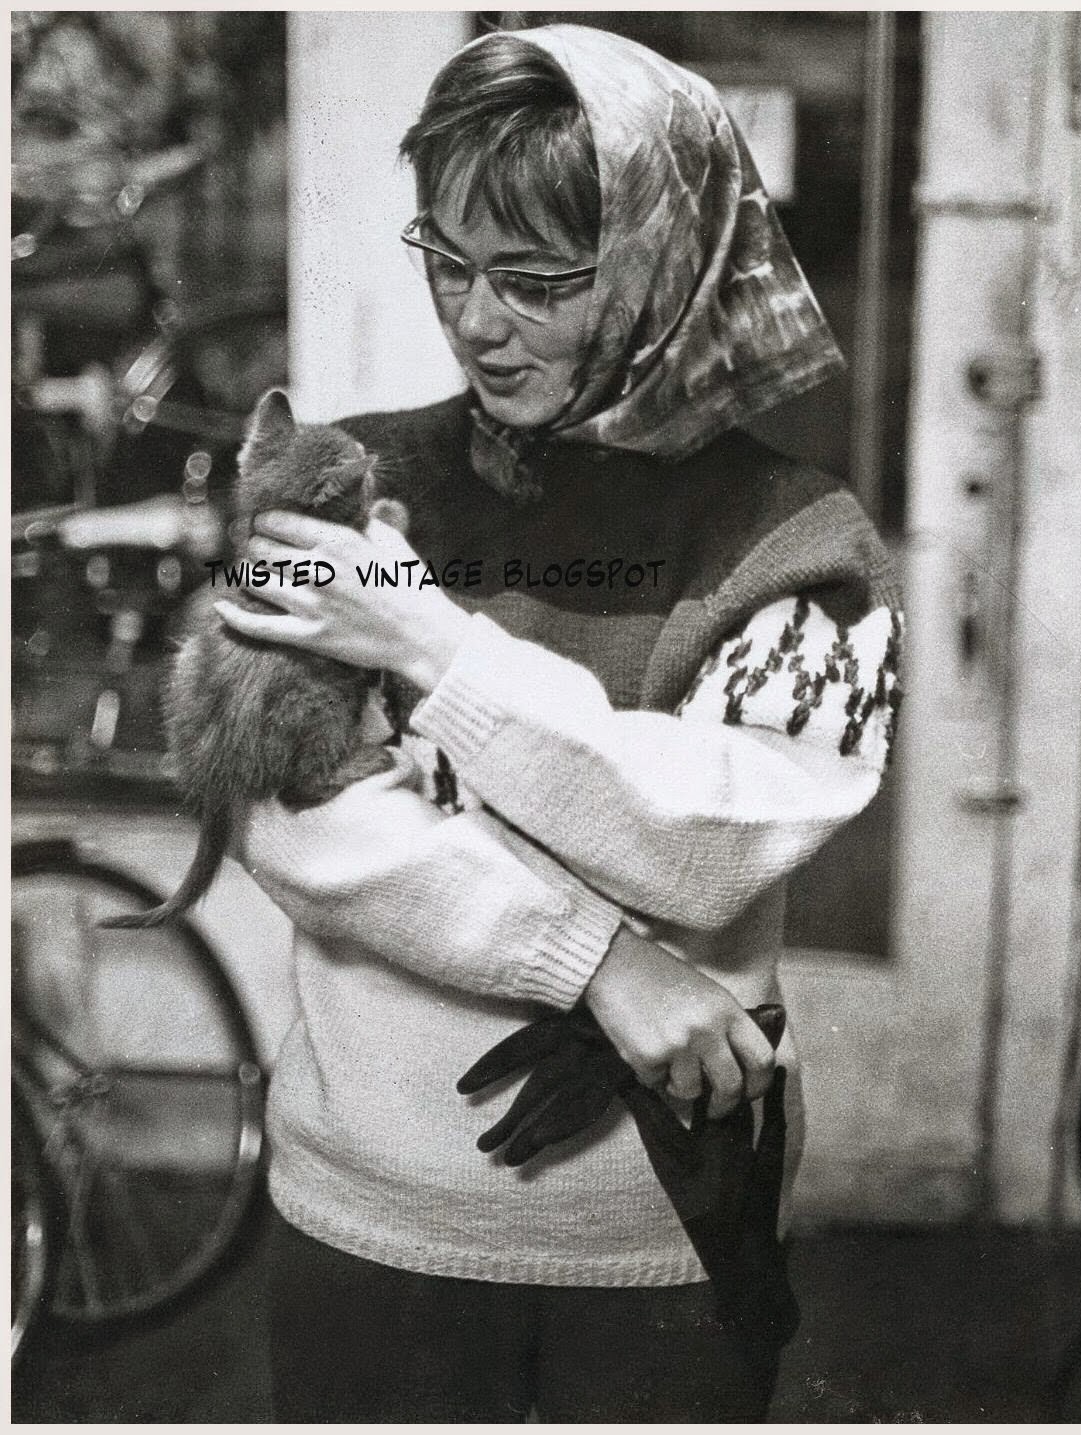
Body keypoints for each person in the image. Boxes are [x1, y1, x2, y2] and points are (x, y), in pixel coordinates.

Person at [215, 23, 902, 1423]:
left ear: (666, 261)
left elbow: (703, 845)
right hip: (368, 1222)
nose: (475, 320)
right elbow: (287, 813)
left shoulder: (797, 538)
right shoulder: (345, 475)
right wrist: (595, 964)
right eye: (449, 262)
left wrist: (417, 636)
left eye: (535, 280)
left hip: (654, 1239)